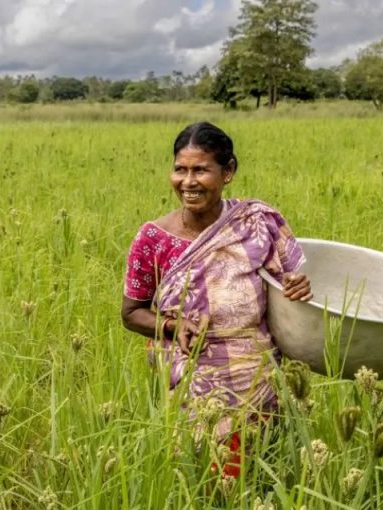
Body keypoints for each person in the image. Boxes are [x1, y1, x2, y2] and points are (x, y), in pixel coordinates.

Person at [121, 122, 312, 474]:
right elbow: (132, 313)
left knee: (260, 471)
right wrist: (171, 325)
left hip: (256, 375)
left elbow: (291, 280)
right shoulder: (153, 239)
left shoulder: (257, 223)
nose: (188, 182)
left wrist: (300, 285)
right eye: (180, 169)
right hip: (191, 377)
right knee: (200, 475)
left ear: (229, 172)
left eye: (201, 170)